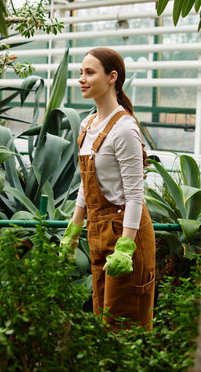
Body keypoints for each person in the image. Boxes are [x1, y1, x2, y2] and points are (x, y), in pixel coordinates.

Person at [61, 47, 155, 330]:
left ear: (112, 77)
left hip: (126, 231)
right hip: (99, 231)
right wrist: (74, 230)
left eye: (89, 72)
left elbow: (135, 194)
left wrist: (126, 247)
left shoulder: (124, 128)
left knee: (124, 322)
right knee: (103, 317)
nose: (82, 79)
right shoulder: (89, 124)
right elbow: (86, 182)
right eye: (81, 73)